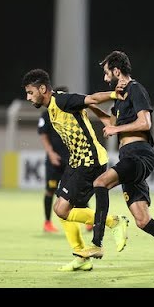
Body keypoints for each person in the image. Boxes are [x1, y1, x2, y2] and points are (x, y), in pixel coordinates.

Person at [73, 50, 154, 280]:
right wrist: (87, 107)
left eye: (107, 74)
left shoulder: (135, 88)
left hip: (139, 154)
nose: (105, 79)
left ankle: (96, 243)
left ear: (117, 71)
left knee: (100, 183)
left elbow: (145, 122)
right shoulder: (120, 97)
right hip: (129, 158)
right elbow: (111, 122)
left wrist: (116, 130)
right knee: (143, 220)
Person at [22, 69, 129, 271]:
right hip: (76, 162)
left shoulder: (62, 100)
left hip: (89, 162)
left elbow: (92, 99)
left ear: (42, 89)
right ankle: (81, 256)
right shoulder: (52, 106)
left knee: (62, 209)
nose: (28, 97)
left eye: (30, 92)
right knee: (62, 209)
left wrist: (115, 94)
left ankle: (114, 222)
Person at [38, 86, 94, 233]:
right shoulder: (47, 114)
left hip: (71, 159)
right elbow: (43, 134)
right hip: (54, 160)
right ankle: (47, 222)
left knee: (77, 188)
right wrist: (50, 153)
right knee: (50, 190)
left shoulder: (71, 111)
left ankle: (88, 220)